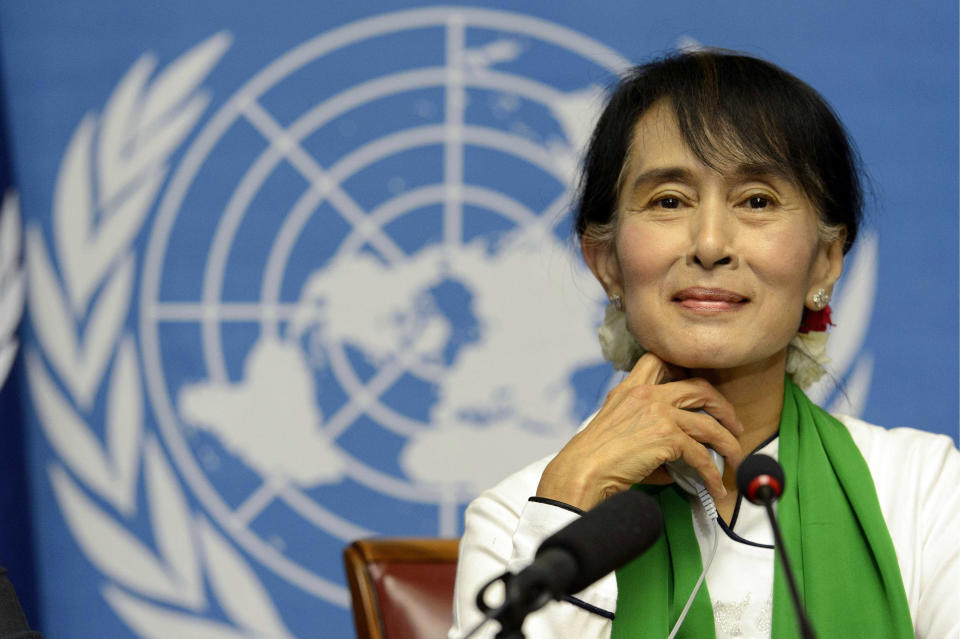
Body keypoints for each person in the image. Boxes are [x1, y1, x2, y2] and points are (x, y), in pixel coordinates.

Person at [449, 50, 960, 639]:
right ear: (606, 263)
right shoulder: (518, 516)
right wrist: (572, 503)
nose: (711, 243)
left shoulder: (923, 492)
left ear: (824, 262)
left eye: (757, 201)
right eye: (669, 200)